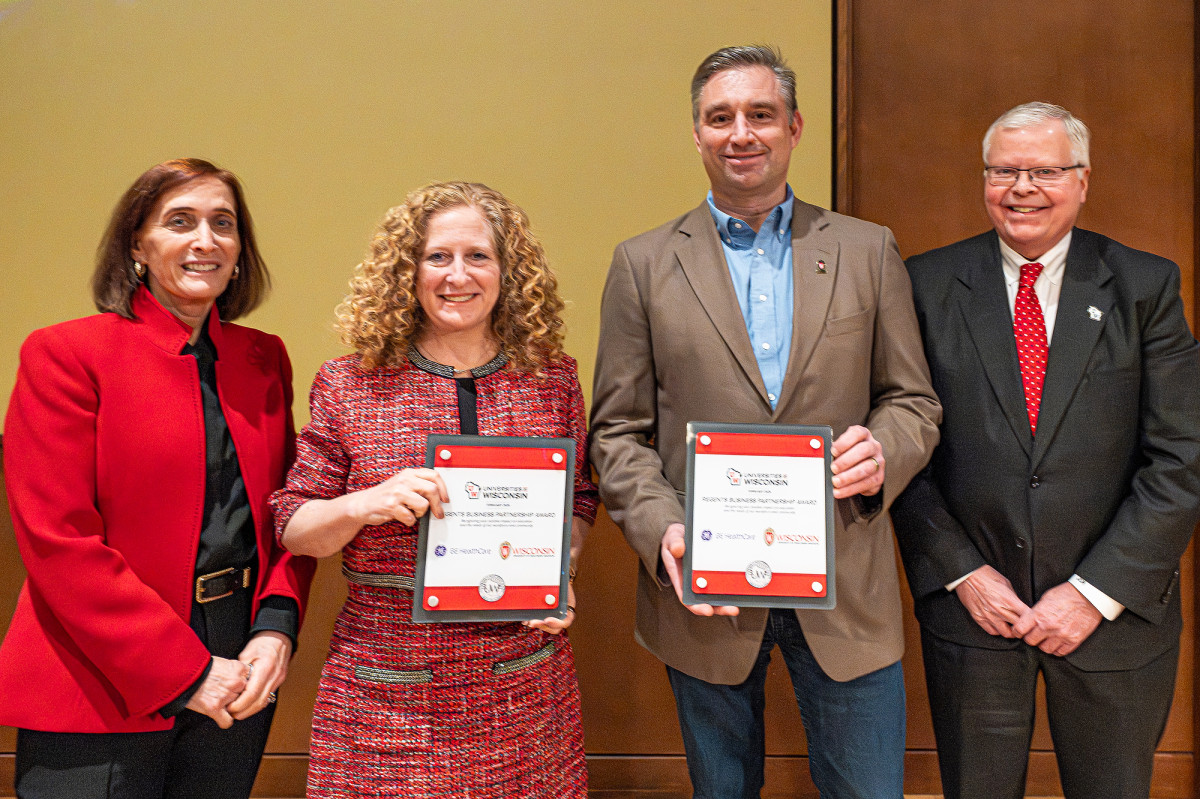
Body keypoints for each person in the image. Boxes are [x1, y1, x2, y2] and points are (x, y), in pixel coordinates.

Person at [589, 45, 941, 799]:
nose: (740, 133)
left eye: (759, 114)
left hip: (847, 579)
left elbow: (913, 401)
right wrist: (661, 530)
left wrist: (883, 450)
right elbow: (617, 432)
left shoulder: (866, 248)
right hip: (706, 590)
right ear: (696, 133)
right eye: (720, 117)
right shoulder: (643, 264)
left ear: (794, 127)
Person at [891, 102, 1200, 799]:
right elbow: (903, 448)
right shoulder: (926, 283)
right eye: (1004, 170)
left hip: (1112, 620)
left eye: (1044, 170)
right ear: (984, 179)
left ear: (1082, 180)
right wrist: (963, 572)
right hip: (975, 612)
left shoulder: (1144, 285)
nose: (1021, 187)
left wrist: (1094, 593)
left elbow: (1181, 457)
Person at [0, 158, 316, 798]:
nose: (206, 241)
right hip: (100, 669)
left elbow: (289, 512)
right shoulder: (66, 354)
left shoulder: (263, 359)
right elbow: (58, 541)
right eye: (180, 222)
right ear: (137, 246)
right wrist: (185, 672)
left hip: (242, 659)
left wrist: (276, 627)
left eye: (222, 224)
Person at [271, 181, 597, 798]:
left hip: (523, 690)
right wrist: (360, 504)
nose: (458, 275)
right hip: (385, 694)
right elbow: (294, 526)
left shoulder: (550, 379)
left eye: (478, 256)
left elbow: (578, 498)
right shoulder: (350, 384)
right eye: (437, 257)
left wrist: (562, 572)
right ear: (407, 271)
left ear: (508, 272)